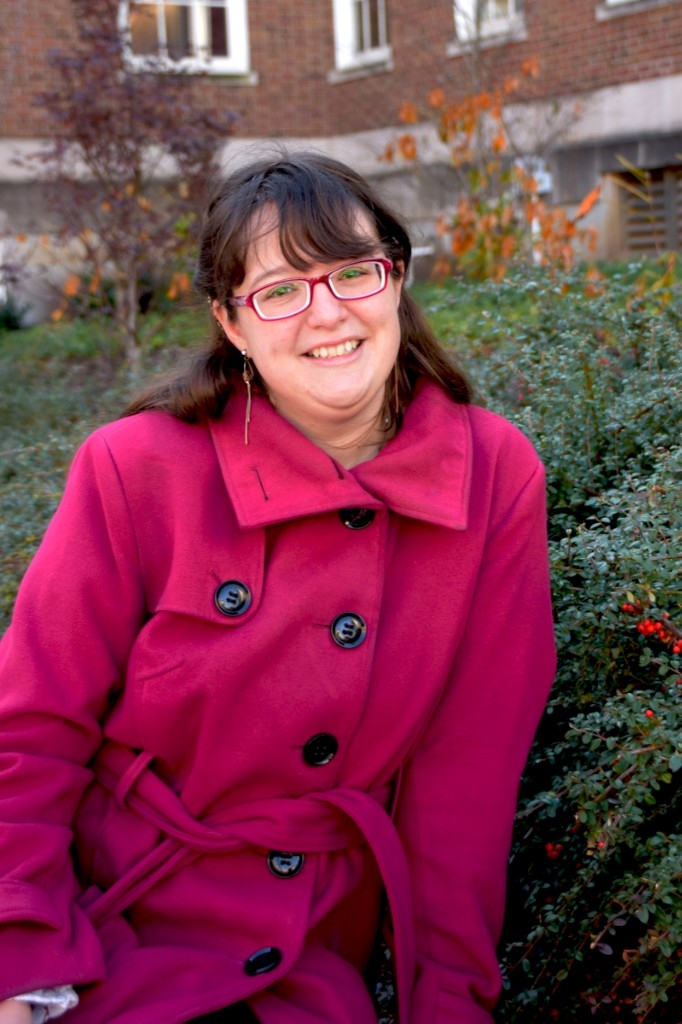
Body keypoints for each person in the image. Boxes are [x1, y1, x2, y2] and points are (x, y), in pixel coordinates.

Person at [0, 152, 556, 1024]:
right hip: (105, 936)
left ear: (396, 278)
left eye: (353, 272)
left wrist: (449, 1002)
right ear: (231, 321)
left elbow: (468, 779)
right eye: (281, 290)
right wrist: (22, 965)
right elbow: (30, 729)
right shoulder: (136, 468)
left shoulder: (494, 476)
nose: (327, 312)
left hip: (304, 961)